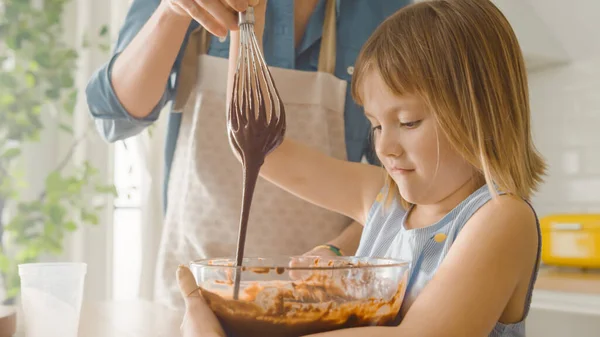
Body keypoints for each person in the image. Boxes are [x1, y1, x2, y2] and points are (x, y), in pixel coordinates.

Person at [175, 0, 547, 336]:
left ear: (480, 113)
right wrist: (246, 20)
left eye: (409, 122)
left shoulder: (500, 218)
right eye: (376, 125)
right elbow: (265, 152)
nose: (384, 147)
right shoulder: (383, 198)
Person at [86, 0, 411, 308]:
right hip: (195, 296)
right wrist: (172, 10)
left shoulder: (384, 11)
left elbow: (399, 189)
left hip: (319, 297)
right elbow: (115, 117)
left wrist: (336, 251)